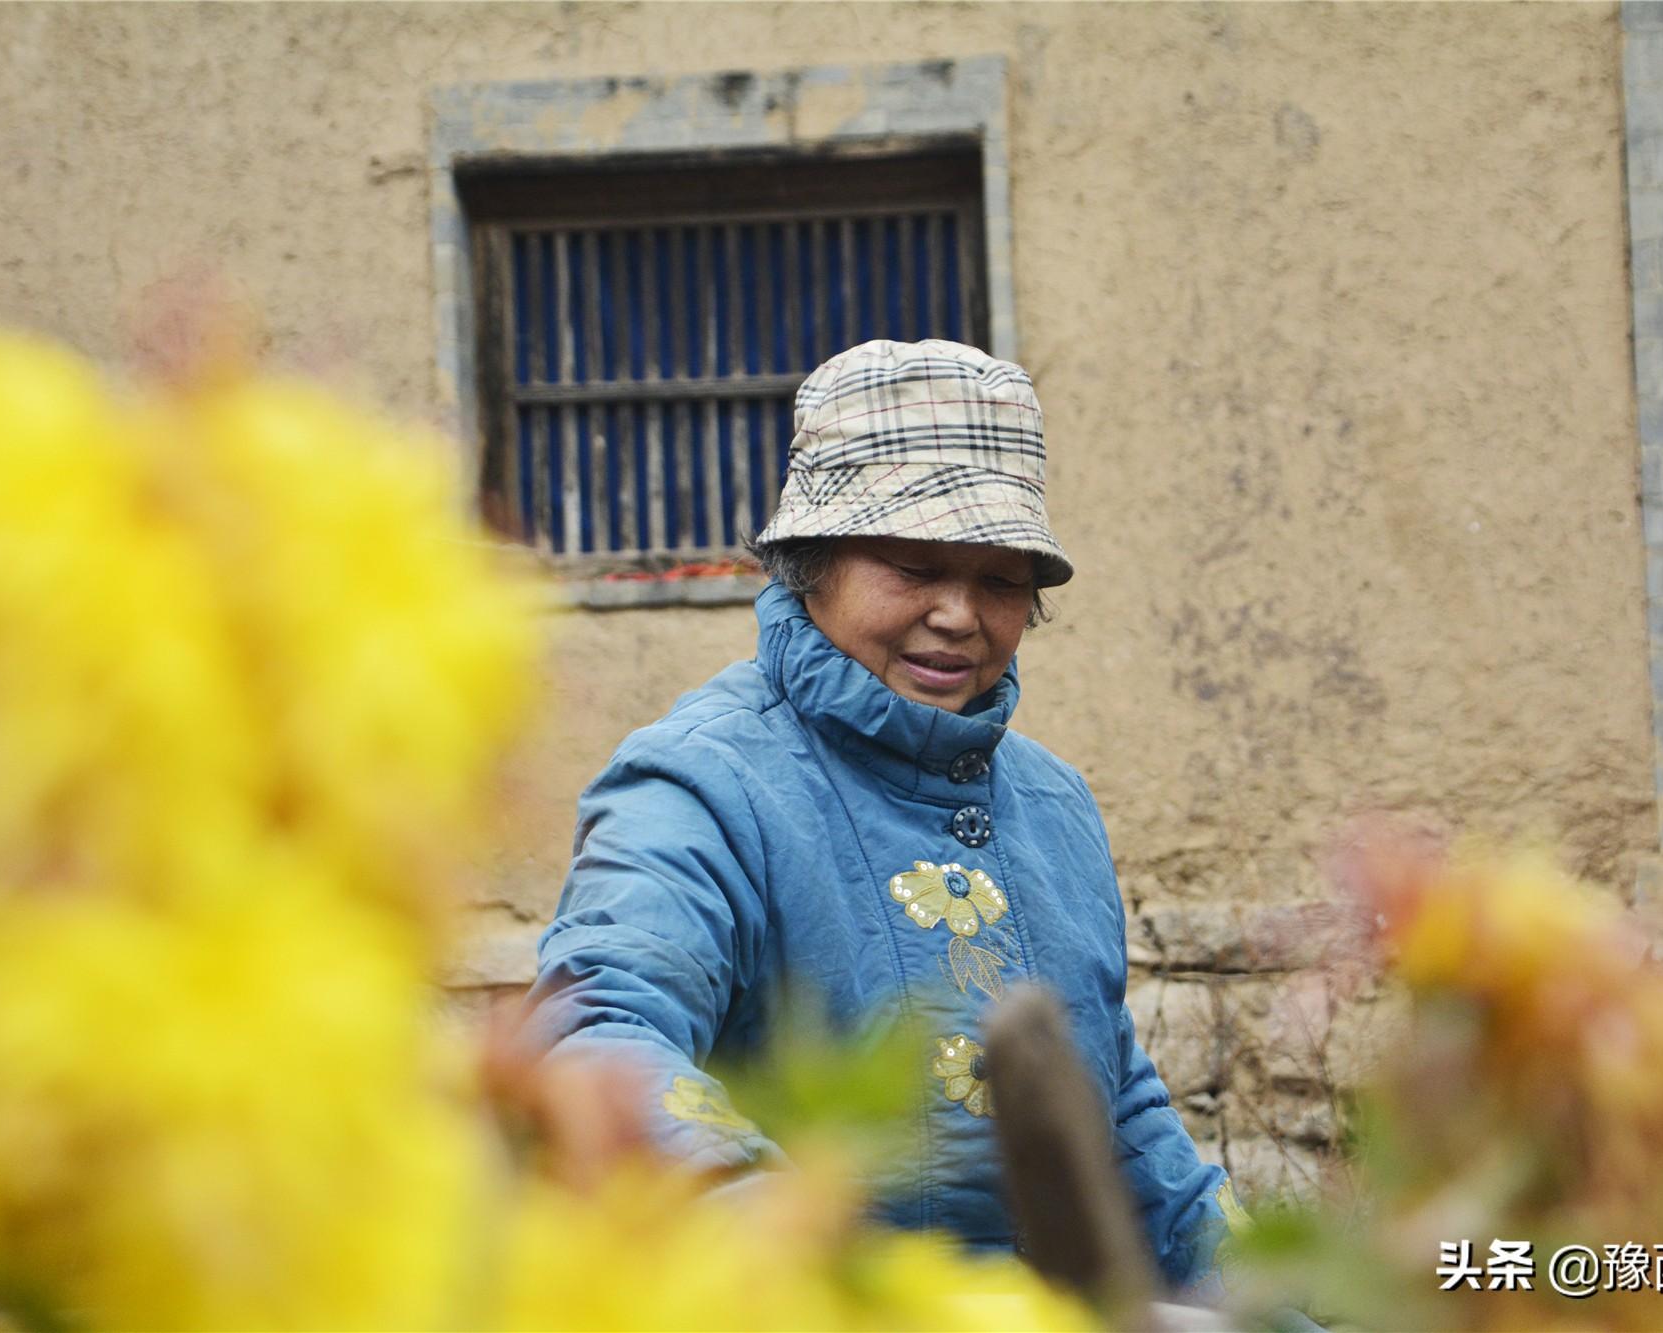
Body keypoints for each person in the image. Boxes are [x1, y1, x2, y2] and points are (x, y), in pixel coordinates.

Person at [527, 339, 1238, 1289]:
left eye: (1000, 578)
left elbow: (1121, 1120)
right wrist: (823, 1275)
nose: (958, 614)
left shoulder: (1054, 805)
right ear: (809, 562)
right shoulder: (702, 783)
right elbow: (598, 1035)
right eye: (913, 564)